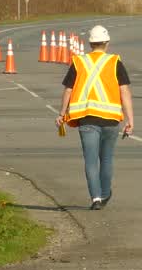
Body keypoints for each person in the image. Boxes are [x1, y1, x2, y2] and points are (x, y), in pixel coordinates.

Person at [54, 25, 135, 210]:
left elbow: (68, 90)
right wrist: (130, 120)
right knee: (106, 159)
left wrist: (61, 114)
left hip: (86, 119)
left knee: (90, 161)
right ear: (107, 43)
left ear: (90, 42)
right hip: (111, 119)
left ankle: (96, 198)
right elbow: (125, 92)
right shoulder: (115, 62)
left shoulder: (79, 62)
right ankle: (105, 193)